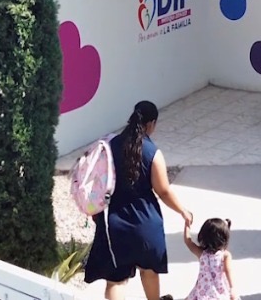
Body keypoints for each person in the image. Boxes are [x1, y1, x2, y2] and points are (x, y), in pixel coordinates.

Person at [85, 100, 194, 300]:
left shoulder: (111, 145)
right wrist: (183, 211)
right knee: (149, 271)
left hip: (114, 223)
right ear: (152, 123)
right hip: (145, 223)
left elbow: (99, 182)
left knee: (116, 280)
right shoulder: (153, 153)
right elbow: (163, 191)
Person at [180, 217, 238, 300]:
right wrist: (232, 288)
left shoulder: (202, 253)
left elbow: (188, 241)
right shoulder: (225, 255)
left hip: (201, 291)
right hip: (219, 292)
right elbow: (228, 271)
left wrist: (187, 224)